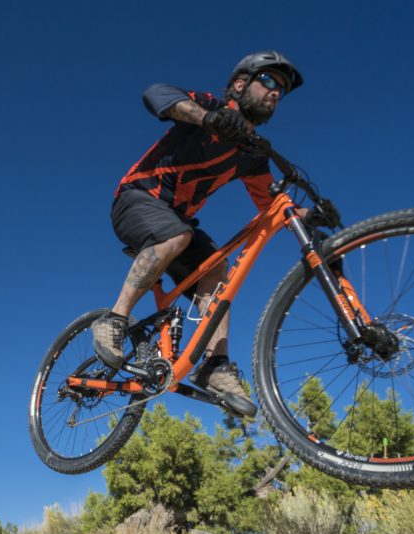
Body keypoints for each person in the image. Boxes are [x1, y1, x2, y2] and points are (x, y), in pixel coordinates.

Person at [92, 50, 305, 416]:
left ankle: (213, 366)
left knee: (218, 270)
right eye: (269, 81)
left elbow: (269, 205)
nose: (275, 92)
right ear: (240, 85)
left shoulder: (252, 156)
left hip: (178, 223)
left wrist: (306, 215)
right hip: (136, 200)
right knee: (177, 236)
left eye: (282, 90)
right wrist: (208, 118)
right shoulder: (208, 108)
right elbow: (156, 94)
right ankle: (114, 320)